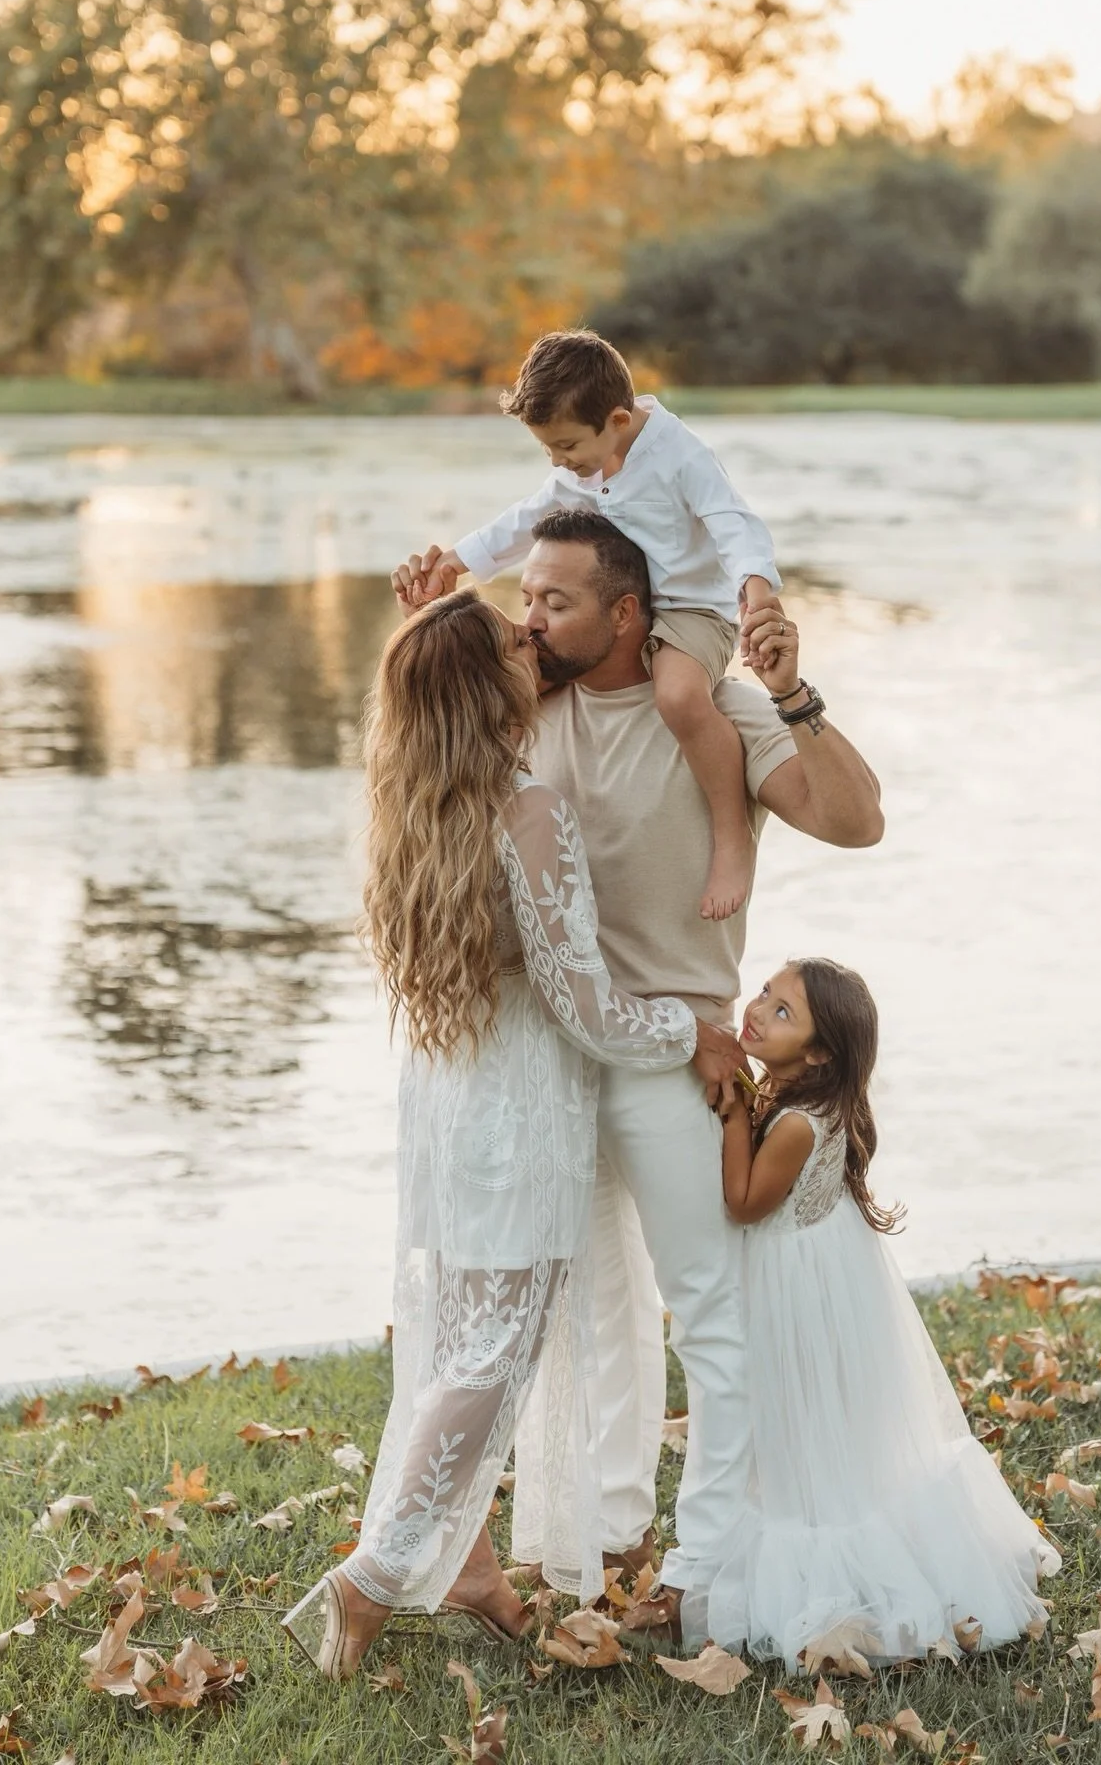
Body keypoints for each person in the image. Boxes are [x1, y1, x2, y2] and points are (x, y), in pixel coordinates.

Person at [391, 510, 885, 1645]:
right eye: (525, 597)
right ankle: (608, 1537)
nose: (529, 619)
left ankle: (697, 1571)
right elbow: (426, 728)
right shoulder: (524, 706)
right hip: (545, 1064)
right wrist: (428, 617)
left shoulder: (714, 712)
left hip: (681, 1056)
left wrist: (791, 693)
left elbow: (857, 822)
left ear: (626, 612)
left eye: (554, 601)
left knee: (709, 1315)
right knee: (584, 1315)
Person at [282, 591, 731, 1680]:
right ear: (490, 692)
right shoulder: (528, 809)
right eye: (514, 645)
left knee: (454, 1344)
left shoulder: (410, 802)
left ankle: (472, 1566)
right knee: (494, 1352)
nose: (535, 645)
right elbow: (585, 1008)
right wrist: (694, 1031)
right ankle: (374, 1575)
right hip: (520, 1102)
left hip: (446, 1096)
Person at [708, 958, 1061, 1664]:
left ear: (818, 1053)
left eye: (783, 1012)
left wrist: (733, 1114)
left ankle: (843, 1578)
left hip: (801, 1293)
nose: (759, 1008)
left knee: (804, 1424)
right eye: (767, 992)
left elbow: (743, 1203)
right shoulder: (808, 1097)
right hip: (828, 1275)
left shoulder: (795, 1124)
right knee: (826, 1427)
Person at [406, 328, 785, 922]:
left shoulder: (681, 456)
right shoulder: (585, 463)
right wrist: (456, 561)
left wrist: (758, 593)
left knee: (679, 696)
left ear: (617, 419)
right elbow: (527, 518)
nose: (559, 460)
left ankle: (732, 836)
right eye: (548, 450)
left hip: (690, 611)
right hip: (618, 613)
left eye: (566, 445)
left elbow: (733, 523)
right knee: (518, 682)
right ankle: (480, 833)